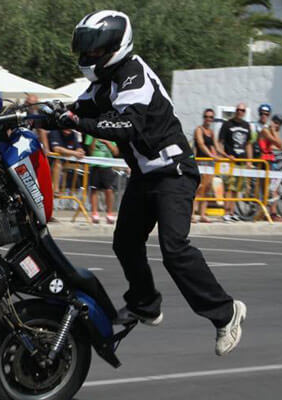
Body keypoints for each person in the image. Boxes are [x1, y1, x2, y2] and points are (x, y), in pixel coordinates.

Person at [56, 10, 245, 356]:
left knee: (174, 249)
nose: (89, 56)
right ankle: (146, 304)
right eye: (86, 49)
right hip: (146, 176)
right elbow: (73, 109)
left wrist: (77, 120)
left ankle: (227, 313)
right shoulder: (105, 82)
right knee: (125, 242)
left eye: (95, 49)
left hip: (174, 172)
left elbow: (124, 126)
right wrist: (30, 114)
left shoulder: (133, 75)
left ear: (115, 46)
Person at [218, 103, 253, 222]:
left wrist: (249, 160)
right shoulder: (227, 124)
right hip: (230, 161)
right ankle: (226, 212)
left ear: (244, 112)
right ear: (235, 111)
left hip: (241, 161)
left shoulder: (247, 125)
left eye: (242, 110)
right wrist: (226, 156)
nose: (240, 112)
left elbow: (248, 144)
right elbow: (220, 143)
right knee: (229, 187)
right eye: (238, 110)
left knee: (237, 188)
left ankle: (233, 212)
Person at [193, 108, 227, 223]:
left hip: (209, 164)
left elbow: (217, 147)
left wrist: (226, 156)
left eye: (211, 117)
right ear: (204, 118)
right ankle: (192, 214)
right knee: (199, 189)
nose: (208, 119)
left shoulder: (211, 132)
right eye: (206, 117)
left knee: (206, 190)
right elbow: (201, 145)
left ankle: (202, 214)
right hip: (201, 161)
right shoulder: (199, 129)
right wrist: (212, 156)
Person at [259, 114, 282, 221]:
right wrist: (273, 131)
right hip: (264, 161)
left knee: (274, 188)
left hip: (271, 160)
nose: (278, 126)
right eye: (277, 123)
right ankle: (268, 213)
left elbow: (280, 144)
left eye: (280, 125)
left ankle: (272, 213)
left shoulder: (273, 132)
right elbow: (276, 143)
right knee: (268, 189)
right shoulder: (265, 130)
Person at [84, 134, 118, 223]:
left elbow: (115, 152)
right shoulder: (90, 133)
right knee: (94, 189)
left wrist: (106, 142)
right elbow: (90, 151)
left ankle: (109, 213)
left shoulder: (110, 132)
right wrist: (95, 138)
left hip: (107, 165)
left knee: (109, 190)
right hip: (95, 164)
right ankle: (95, 213)